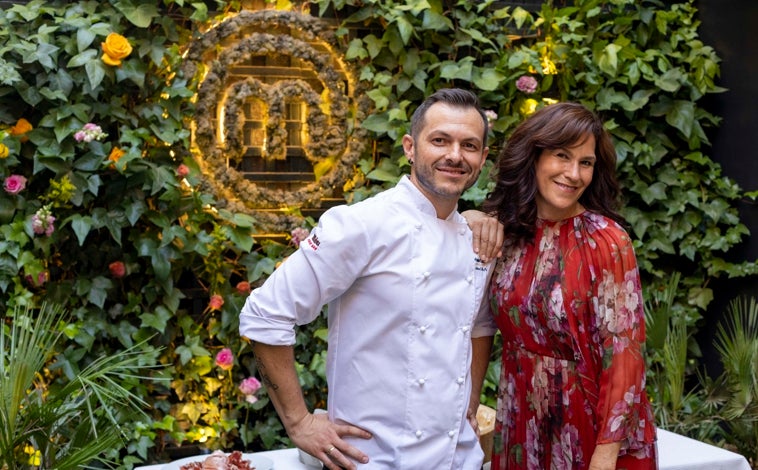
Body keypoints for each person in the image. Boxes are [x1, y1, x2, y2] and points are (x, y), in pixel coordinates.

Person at [239, 88, 500, 470]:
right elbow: (265, 313)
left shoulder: (476, 240)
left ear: (483, 159)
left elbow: (477, 325)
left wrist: (471, 406)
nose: (455, 156)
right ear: (410, 147)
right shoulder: (362, 225)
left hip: (459, 459)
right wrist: (298, 423)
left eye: (469, 145)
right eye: (439, 140)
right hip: (374, 460)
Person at [470, 102, 657, 469]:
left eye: (585, 162)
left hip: (591, 425)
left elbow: (624, 356)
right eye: (562, 156)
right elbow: (481, 324)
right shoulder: (507, 233)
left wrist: (605, 456)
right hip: (521, 421)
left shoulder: (607, 241)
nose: (573, 174)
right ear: (535, 157)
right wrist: (471, 216)